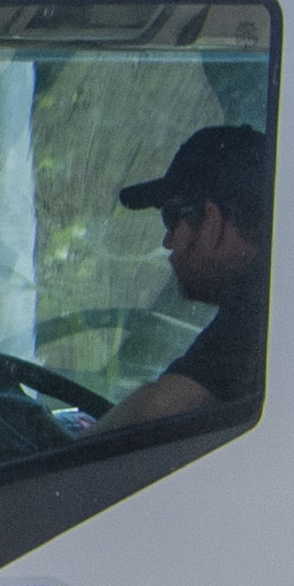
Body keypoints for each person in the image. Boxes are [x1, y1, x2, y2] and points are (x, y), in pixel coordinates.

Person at [104, 125, 273, 425]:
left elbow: (152, 412)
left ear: (212, 219)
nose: (167, 242)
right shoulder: (277, 290)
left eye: (171, 219)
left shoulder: (262, 311)